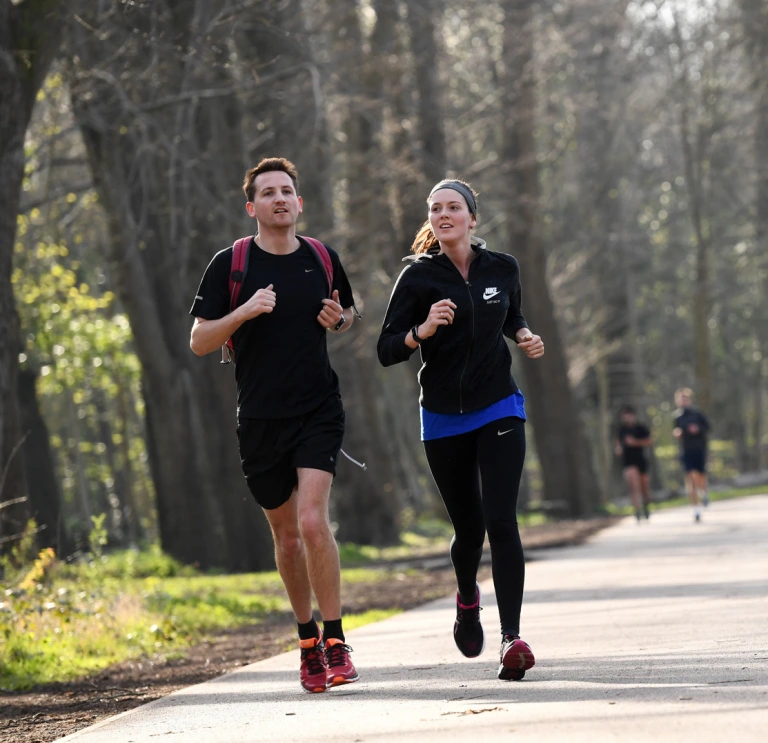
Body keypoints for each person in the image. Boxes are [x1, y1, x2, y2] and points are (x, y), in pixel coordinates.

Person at [189, 157, 359, 693]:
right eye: (268, 193)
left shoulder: (321, 257)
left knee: (313, 521)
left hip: (318, 410)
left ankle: (335, 641)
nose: (280, 199)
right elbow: (199, 341)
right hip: (260, 418)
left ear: (299, 202)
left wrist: (341, 319)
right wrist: (243, 312)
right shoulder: (230, 264)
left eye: (288, 191)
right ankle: (307, 639)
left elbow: (348, 312)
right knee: (287, 538)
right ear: (252, 207)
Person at [377, 179, 545, 681]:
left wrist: (524, 334)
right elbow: (386, 349)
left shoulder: (503, 267)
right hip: (444, 416)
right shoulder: (416, 278)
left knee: (501, 520)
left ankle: (511, 638)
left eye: (453, 207)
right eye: (435, 209)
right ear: (430, 220)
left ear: (473, 217)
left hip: (498, 405)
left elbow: (511, 314)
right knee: (468, 530)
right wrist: (421, 331)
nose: (444, 214)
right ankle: (467, 597)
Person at [673, 387, 711, 522]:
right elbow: (676, 430)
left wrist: (698, 429)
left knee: (700, 476)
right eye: (681, 400)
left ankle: (704, 492)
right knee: (690, 478)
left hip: (699, 449)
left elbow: (708, 427)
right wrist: (677, 433)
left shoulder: (697, 414)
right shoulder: (677, 417)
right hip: (686, 450)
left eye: (686, 399)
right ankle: (695, 510)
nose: (684, 402)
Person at [615, 405, 653, 522]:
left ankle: (646, 504)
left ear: (633, 416)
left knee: (643, 486)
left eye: (629, 415)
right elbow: (617, 443)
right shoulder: (621, 430)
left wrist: (635, 442)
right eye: (624, 416)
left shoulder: (641, 428)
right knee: (633, 485)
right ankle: (636, 509)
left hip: (640, 459)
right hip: (628, 461)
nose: (627, 418)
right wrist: (618, 448)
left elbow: (649, 441)